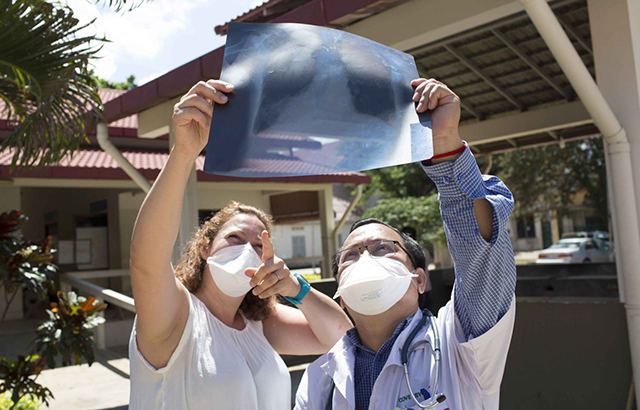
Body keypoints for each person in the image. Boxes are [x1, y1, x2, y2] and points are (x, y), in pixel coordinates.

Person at [127, 80, 353, 409]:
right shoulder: (177, 315)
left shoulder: (260, 324)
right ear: (204, 248)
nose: (247, 248)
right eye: (234, 237)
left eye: (259, 245)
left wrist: (295, 289)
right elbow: (146, 261)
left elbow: (343, 339)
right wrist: (185, 152)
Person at [294, 78, 517, 410]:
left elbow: (479, 252)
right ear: (340, 293)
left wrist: (444, 145)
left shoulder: (460, 344)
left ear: (420, 279)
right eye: (350, 255)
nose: (365, 257)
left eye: (383, 248)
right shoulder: (318, 381)